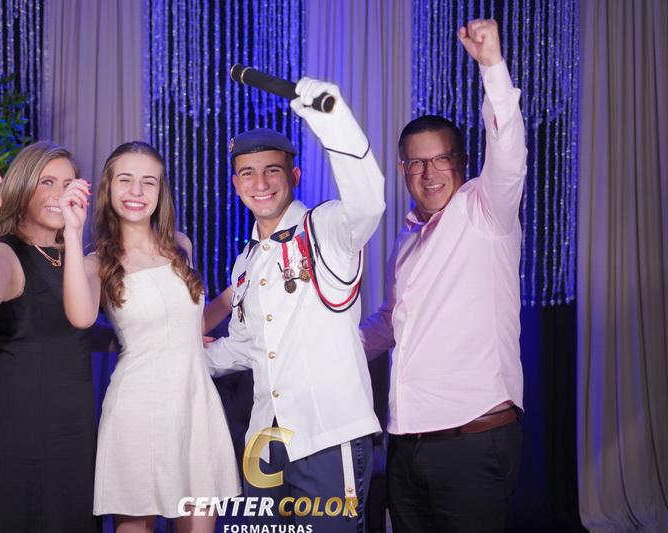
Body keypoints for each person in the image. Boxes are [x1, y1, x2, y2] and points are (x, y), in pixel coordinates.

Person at [360, 19, 526, 532]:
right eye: (416, 164)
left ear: (463, 161)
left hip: (471, 441)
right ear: (403, 170)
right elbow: (390, 321)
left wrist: (491, 65)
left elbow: (509, 151)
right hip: (407, 443)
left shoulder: (486, 211)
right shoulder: (407, 240)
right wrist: (321, 348)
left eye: (441, 160)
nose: (429, 174)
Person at [204, 77, 385, 531]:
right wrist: (179, 358)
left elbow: (368, 202)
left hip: (327, 433)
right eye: (248, 173)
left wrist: (334, 120)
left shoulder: (326, 229)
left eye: (272, 170)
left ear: (295, 176)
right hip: (263, 440)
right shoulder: (246, 262)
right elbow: (245, 346)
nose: (260, 183)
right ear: (236, 184)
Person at [59, 141, 241, 533]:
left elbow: (190, 326)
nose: (137, 192)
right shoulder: (96, 262)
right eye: (125, 180)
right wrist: (72, 233)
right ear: (108, 188)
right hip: (138, 409)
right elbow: (80, 317)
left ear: (161, 191)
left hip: (195, 405)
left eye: (149, 182)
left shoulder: (180, 246)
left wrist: (233, 296)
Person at [0, 142, 98, 532]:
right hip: (20, 418)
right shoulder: (8, 253)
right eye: (47, 182)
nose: (58, 193)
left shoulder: (77, 255)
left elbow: (77, 330)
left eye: (68, 183)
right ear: (22, 187)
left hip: (74, 419)